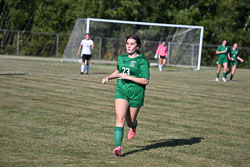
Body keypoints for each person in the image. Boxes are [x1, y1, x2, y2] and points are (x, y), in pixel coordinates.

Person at [102, 34, 150, 157]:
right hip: (122, 90)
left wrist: (128, 77)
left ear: (137, 46)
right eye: (127, 43)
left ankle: (133, 126)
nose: (129, 46)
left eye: (132, 43)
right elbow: (118, 71)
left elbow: (145, 80)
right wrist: (108, 77)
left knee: (130, 121)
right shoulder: (121, 58)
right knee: (119, 118)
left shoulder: (142, 61)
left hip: (136, 93)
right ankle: (117, 147)